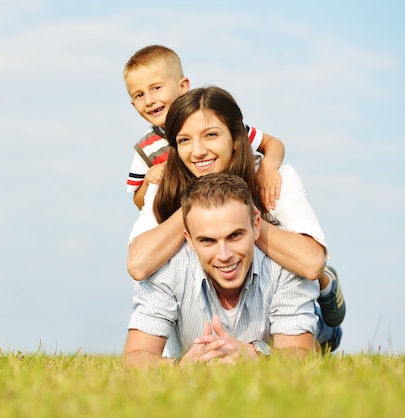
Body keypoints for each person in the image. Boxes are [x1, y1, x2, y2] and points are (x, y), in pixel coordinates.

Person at [127, 86, 346, 336]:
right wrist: (194, 206)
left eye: (210, 135)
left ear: (235, 139)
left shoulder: (272, 179)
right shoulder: (165, 186)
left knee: (317, 327)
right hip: (214, 311)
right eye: (184, 140)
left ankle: (326, 300)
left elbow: (310, 263)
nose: (197, 151)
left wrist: (242, 216)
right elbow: (138, 265)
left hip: (286, 307)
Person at [123, 172, 320, 366]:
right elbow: (135, 356)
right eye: (207, 240)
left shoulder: (286, 267)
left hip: (314, 315)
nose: (224, 255)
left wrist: (252, 354)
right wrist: (180, 365)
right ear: (189, 239)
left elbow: (301, 353)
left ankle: (327, 289)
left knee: (320, 339)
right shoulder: (169, 269)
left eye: (235, 236)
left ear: (256, 226)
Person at [123, 45, 284, 212]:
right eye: (139, 95)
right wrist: (149, 181)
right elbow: (139, 203)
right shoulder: (146, 148)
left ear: (183, 86)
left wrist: (269, 166)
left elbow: (272, 143)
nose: (149, 100)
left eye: (156, 88)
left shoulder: (215, 121)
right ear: (133, 104)